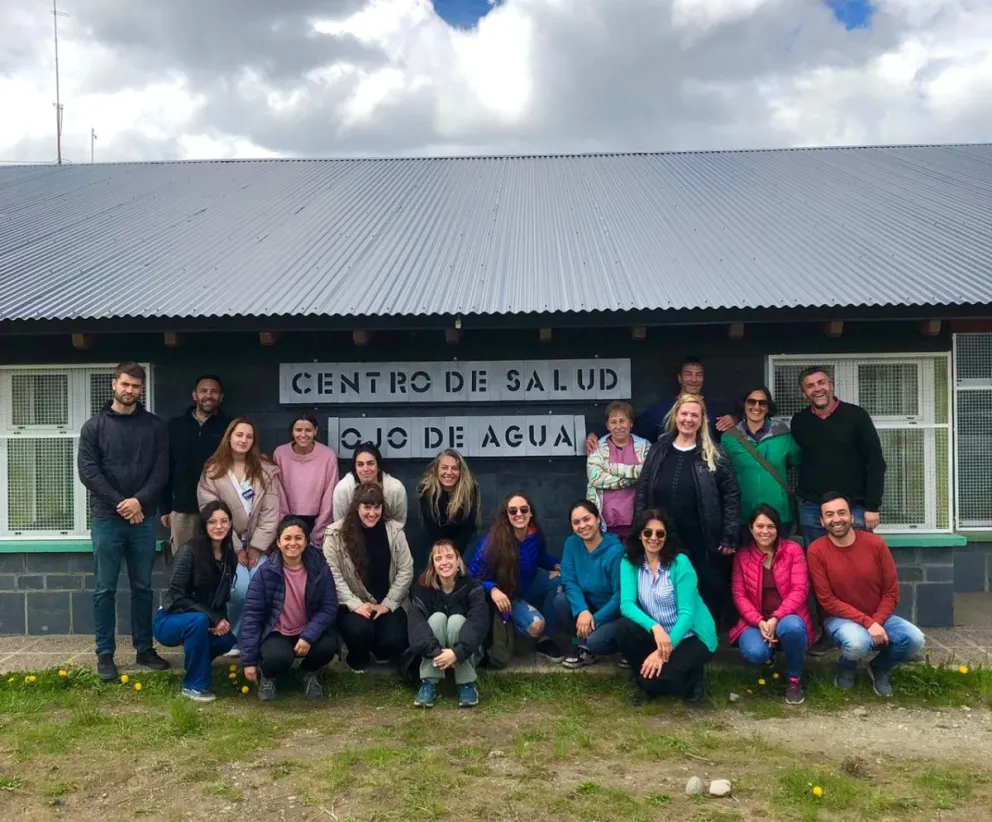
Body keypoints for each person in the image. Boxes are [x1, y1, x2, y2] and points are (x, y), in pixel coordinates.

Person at [77, 361, 170, 681]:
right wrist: (122, 504)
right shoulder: (94, 427)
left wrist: (138, 502)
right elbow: (89, 473)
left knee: (143, 587)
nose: (130, 390)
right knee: (104, 588)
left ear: (142, 390)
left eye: (136, 386)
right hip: (107, 519)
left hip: (143, 520)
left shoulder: (155, 427)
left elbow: (161, 472)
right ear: (113, 385)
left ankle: (144, 649)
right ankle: (105, 653)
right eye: (125, 384)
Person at [790, 366, 886, 654]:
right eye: (810, 385)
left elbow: (876, 462)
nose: (817, 389)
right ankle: (829, 632)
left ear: (830, 385)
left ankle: (871, 627)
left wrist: (872, 506)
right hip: (812, 509)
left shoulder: (856, 416)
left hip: (853, 509)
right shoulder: (799, 422)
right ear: (803, 393)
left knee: (860, 572)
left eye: (821, 382)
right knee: (821, 573)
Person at [634, 393, 740, 626]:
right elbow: (642, 489)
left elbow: (731, 495)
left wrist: (729, 534)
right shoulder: (658, 450)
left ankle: (703, 639)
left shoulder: (716, 453)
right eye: (684, 414)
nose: (688, 419)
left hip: (701, 536)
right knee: (665, 587)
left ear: (702, 420)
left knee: (704, 586)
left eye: (695, 415)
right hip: (662, 536)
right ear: (675, 417)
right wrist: (639, 528)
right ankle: (669, 636)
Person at [808, 493, 925, 697]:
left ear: (852, 517)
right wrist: (868, 623)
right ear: (822, 521)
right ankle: (846, 668)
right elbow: (827, 600)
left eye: (842, 513)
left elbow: (891, 592)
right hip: (839, 618)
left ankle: (879, 667)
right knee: (858, 643)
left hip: (878, 615)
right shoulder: (816, 551)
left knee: (915, 640)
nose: (836, 519)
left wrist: (876, 621)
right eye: (829, 514)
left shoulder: (876, 544)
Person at [197, 417, 282, 657]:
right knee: (239, 589)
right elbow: (211, 513)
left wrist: (256, 547)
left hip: (259, 545)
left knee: (263, 586)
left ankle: (257, 639)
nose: (243, 440)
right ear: (229, 437)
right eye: (239, 435)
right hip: (225, 544)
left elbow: (271, 511)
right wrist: (235, 548)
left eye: (249, 436)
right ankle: (233, 638)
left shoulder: (265, 471)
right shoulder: (212, 472)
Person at [615, 508, 718, 705]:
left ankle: (694, 678)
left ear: (666, 536)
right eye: (648, 532)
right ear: (639, 535)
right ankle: (645, 683)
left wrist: (662, 652)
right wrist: (655, 628)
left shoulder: (680, 563)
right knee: (623, 628)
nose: (654, 538)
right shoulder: (629, 562)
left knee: (666, 683)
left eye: (660, 533)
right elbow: (626, 604)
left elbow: (687, 614)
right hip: (659, 633)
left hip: (691, 636)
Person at [240, 516, 341, 701]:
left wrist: (308, 635)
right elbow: (252, 617)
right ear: (278, 542)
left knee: (328, 646)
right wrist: (249, 661)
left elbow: (329, 607)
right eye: (287, 538)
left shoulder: (320, 568)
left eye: (298, 538)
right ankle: (269, 677)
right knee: (277, 657)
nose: (292, 543)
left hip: (307, 628)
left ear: (306, 542)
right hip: (277, 632)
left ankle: (307, 673)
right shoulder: (265, 573)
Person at [153, 500, 239, 702]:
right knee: (198, 621)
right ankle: (194, 686)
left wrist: (220, 622)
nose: (219, 527)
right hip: (170, 619)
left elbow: (221, 596)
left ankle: (195, 663)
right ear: (203, 525)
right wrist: (212, 619)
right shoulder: (188, 552)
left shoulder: (229, 557)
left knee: (227, 640)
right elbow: (176, 596)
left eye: (224, 521)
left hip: (201, 620)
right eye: (212, 522)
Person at [323, 483, 414, 672]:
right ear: (357, 507)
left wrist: (388, 604)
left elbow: (406, 570)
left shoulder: (394, 531)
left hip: (386, 602)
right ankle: (357, 657)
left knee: (396, 639)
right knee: (360, 630)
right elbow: (333, 574)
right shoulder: (335, 534)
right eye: (367, 507)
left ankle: (380, 651)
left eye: (377, 507)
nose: (372, 513)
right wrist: (355, 604)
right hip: (352, 604)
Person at [729, 505, 813, 706]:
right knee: (755, 652)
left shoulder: (792, 550)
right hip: (755, 621)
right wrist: (759, 621)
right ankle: (769, 654)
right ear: (750, 529)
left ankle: (794, 680)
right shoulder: (742, 556)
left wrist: (776, 617)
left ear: (778, 529)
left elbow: (800, 589)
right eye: (759, 526)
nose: (765, 531)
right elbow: (739, 595)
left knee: (792, 628)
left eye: (770, 526)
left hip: (788, 616)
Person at [468, 491, 564, 662]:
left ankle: (546, 639)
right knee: (535, 626)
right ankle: (510, 625)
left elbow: (540, 556)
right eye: (513, 511)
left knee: (561, 581)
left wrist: (557, 565)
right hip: (508, 594)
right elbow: (472, 576)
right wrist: (492, 589)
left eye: (523, 509)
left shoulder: (534, 533)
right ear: (506, 515)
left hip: (531, 582)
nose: (519, 514)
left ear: (530, 512)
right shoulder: (492, 542)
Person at [585, 356, 736, 453]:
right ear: (679, 378)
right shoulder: (662, 409)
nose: (694, 379)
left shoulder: (715, 410)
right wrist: (597, 434)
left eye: (699, 374)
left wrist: (734, 420)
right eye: (688, 374)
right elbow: (632, 427)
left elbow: (741, 430)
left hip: (705, 476)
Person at [407, 539, 489, 709]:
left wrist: (457, 653)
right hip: (433, 655)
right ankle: (428, 682)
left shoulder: (473, 586)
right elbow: (416, 625)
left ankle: (466, 683)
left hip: (466, 652)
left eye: (449, 557)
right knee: (437, 618)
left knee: (456, 620)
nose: (444, 562)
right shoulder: (422, 589)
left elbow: (478, 622)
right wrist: (437, 652)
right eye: (438, 559)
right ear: (433, 566)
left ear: (458, 561)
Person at [160, 374, 231, 554]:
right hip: (183, 509)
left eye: (214, 392)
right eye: (204, 391)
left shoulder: (229, 427)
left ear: (221, 397)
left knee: (216, 561)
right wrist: (165, 508)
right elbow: (165, 467)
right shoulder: (175, 426)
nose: (209, 395)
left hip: (218, 510)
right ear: (195, 395)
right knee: (184, 564)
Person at [554, 500, 626, 669]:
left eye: (587, 519)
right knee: (561, 600)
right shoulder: (572, 543)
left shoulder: (616, 551)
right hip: (589, 607)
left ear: (598, 519)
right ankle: (584, 648)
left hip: (615, 614)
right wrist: (582, 610)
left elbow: (621, 595)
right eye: (576, 522)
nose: (582, 526)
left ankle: (628, 649)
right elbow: (569, 581)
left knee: (597, 641)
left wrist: (593, 619)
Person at [722, 386, 802, 537]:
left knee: (779, 559)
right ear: (744, 404)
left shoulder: (784, 435)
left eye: (762, 403)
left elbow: (795, 461)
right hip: (744, 513)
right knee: (746, 560)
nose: (756, 407)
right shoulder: (729, 438)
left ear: (768, 407)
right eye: (751, 402)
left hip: (779, 513)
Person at [586, 401, 650, 542]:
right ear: (607, 426)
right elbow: (595, 478)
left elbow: (647, 473)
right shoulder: (597, 447)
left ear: (631, 423)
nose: (618, 426)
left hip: (635, 520)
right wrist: (631, 479)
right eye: (613, 422)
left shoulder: (644, 446)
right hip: (605, 522)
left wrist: (610, 468)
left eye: (623, 421)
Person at [274, 412, 339, 548]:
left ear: (315, 431)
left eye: (308, 430)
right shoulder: (280, 454)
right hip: (288, 522)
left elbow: (329, 497)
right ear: (292, 432)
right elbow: (278, 493)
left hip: (317, 522)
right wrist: (285, 527)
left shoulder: (328, 455)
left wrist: (319, 533)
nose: (303, 435)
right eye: (298, 430)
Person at [417, 449, 481, 553]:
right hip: (436, 543)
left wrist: (456, 553)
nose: (449, 472)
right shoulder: (426, 490)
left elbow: (469, 528)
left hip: (464, 543)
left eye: (454, 468)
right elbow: (431, 528)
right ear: (437, 469)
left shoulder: (470, 489)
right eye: (444, 468)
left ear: (461, 471)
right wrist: (444, 553)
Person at [332, 442, 408, 525]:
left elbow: (399, 525)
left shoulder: (395, 489)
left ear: (378, 466)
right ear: (355, 468)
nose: (365, 469)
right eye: (360, 464)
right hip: (351, 535)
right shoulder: (343, 489)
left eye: (370, 463)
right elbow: (339, 526)